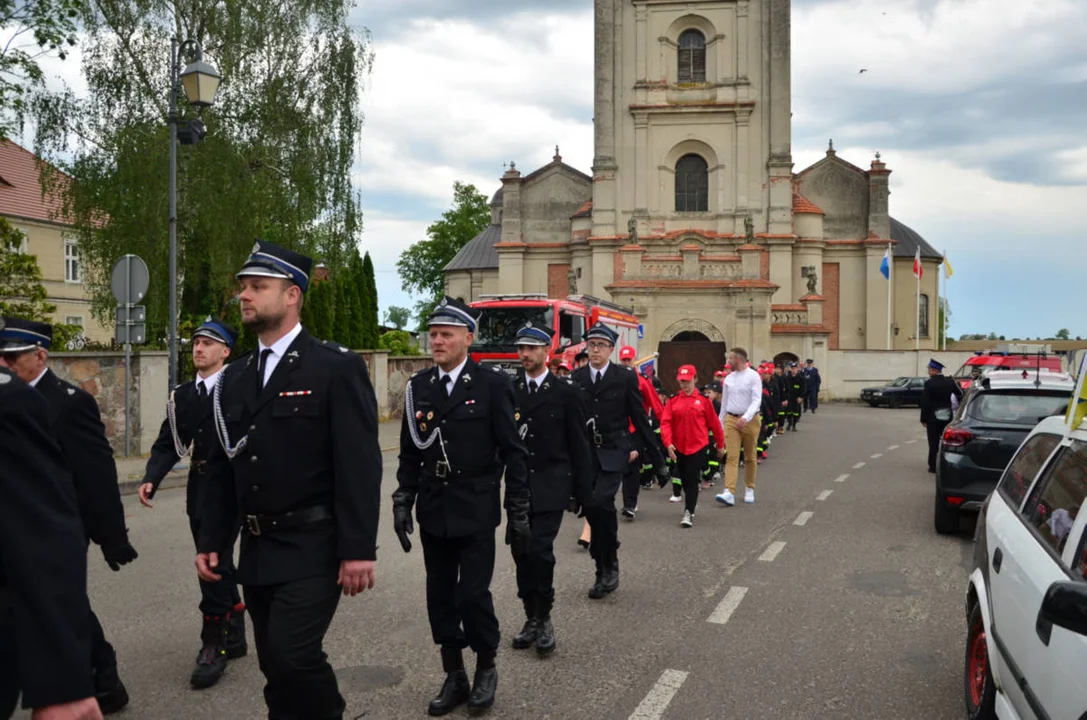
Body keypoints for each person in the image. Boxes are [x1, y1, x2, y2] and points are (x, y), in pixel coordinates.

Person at [194, 240, 382, 720]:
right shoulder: (234, 378)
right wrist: (214, 538)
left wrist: (358, 548)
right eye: (243, 287)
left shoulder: (334, 367)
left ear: (293, 294)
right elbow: (220, 468)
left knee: (295, 653)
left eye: (259, 286)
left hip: (314, 543)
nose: (245, 296)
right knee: (276, 663)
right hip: (258, 548)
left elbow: (359, 463)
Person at [392, 296, 530, 716]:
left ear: (467, 338)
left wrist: (519, 507)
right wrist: (403, 498)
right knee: (440, 596)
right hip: (434, 506)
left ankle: (486, 664)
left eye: (445, 335)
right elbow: (409, 453)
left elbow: (514, 451)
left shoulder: (491, 384)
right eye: (433, 334)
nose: (436, 341)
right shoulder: (419, 387)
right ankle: (454, 674)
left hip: (475, 505)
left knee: (472, 595)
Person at [0, 317, 137, 715]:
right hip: (19, 524)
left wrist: (113, 537)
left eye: (12, 357)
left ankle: (101, 676)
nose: (4, 365)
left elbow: (96, 474)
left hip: (56, 526)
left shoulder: (68, 401)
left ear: (40, 355)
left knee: (60, 600)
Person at [138, 318, 247, 689]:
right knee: (218, 558)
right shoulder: (182, 395)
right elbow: (169, 442)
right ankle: (236, 625)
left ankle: (212, 643)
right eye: (196, 342)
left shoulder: (238, 389)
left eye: (208, 343)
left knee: (212, 558)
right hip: (200, 486)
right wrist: (152, 476)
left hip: (232, 487)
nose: (199, 348)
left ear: (225, 351)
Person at [508, 323, 593, 655]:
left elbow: (579, 446)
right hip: (517, 488)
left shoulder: (565, 392)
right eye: (521, 349)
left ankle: (544, 619)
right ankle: (530, 617)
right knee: (520, 554)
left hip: (551, 484)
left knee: (540, 551)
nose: (525, 355)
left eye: (532, 349)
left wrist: (583, 494)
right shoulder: (510, 390)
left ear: (547, 352)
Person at [570, 324, 667, 599]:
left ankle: (609, 563)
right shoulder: (577, 378)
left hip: (614, 450)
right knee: (590, 507)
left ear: (611, 349)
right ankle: (602, 563)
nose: (596, 349)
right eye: (592, 344)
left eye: (602, 345)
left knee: (601, 501)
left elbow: (640, 418)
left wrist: (658, 461)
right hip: (586, 454)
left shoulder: (624, 378)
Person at [661, 366, 724, 528]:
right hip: (679, 447)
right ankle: (691, 502)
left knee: (691, 478)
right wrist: (668, 443)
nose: (684, 384)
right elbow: (666, 423)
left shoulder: (703, 401)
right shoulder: (673, 400)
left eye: (687, 381)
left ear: (695, 379)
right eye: (682, 381)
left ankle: (688, 511)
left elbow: (715, 424)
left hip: (697, 446)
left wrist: (720, 444)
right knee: (682, 476)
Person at [618, 345, 665, 520]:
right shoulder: (613, 379)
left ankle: (630, 505)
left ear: (634, 360)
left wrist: (666, 425)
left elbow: (656, 404)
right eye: (623, 360)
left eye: (628, 359)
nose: (626, 363)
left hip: (636, 430)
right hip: (617, 429)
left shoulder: (642, 381)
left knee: (632, 467)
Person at [715, 348, 763, 507]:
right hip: (731, 419)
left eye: (731, 358)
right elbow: (724, 403)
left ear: (739, 359)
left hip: (750, 420)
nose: (729, 361)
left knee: (750, 456)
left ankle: (749, 487)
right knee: (732, 456)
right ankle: (729, 491)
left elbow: (756, 400)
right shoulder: (728, 378)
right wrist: (719, 423)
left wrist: (746, 417)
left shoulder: (753, 376)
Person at [920, 358, 963, 474]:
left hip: (932, 418)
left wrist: (923, 419)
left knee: (933, 443)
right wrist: (959, 410)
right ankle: (947, 464)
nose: (928, 371)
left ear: (934, 370)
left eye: (929, 369)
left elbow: (925, 402)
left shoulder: (929, 383)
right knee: (947, 442)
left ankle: (933, 466)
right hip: (947, 416)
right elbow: (961, 395)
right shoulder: (950, 382)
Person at [784, 362, 807, 431]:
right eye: (792, 368)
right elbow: (784, 388)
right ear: (790, 369)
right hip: (789, 397)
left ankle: (794, 425)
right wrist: (785, 398)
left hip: (797, 398)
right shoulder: (787, 378)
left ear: (797, 369)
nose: (793, 370)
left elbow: (803, 388)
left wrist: (801, 397)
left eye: (795, 369)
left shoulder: (801, 378)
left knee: (796, 412)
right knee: (788, 412)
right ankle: (789, 423)